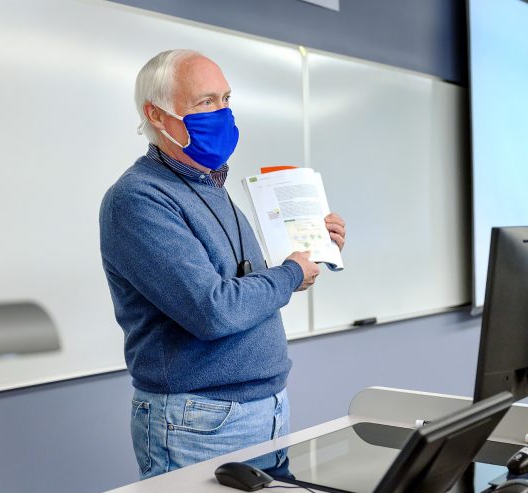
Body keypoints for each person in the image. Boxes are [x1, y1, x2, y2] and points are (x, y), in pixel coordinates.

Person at [99, 49, 346, 480]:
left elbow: (243, 287)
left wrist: (308, 254)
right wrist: (289, 274)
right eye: (205, 102)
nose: (223, 113)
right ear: (157, 115)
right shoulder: (139, 199)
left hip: (265, 408)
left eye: (226, 98)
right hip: (199, 420)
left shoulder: (211, 186)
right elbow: (213, 310)